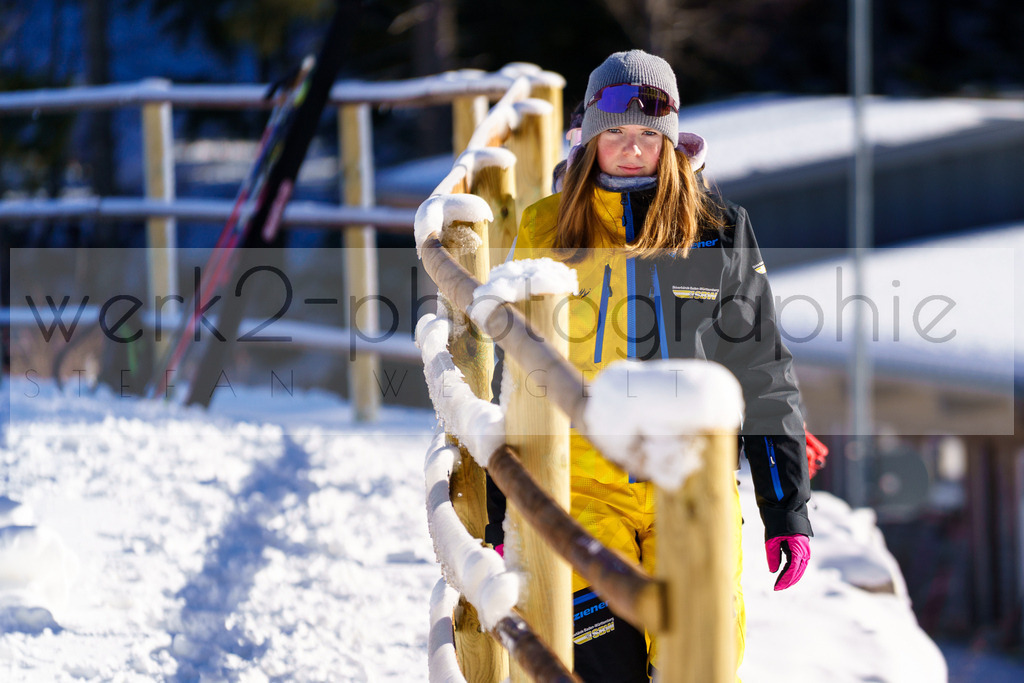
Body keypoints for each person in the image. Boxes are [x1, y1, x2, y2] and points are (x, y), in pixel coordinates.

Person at [488, 49, 813, 682]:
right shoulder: (547, 228)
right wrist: (501, 509)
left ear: (671, 141)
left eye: (647, 136)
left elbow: (761, 367)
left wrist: (786, 508)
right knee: (603, 665)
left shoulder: (717, 230)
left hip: (693, 488)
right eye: (616, 135)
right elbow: (517, 368)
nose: (632, 150)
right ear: (588, 140)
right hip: (581, 485)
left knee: (699, 662)